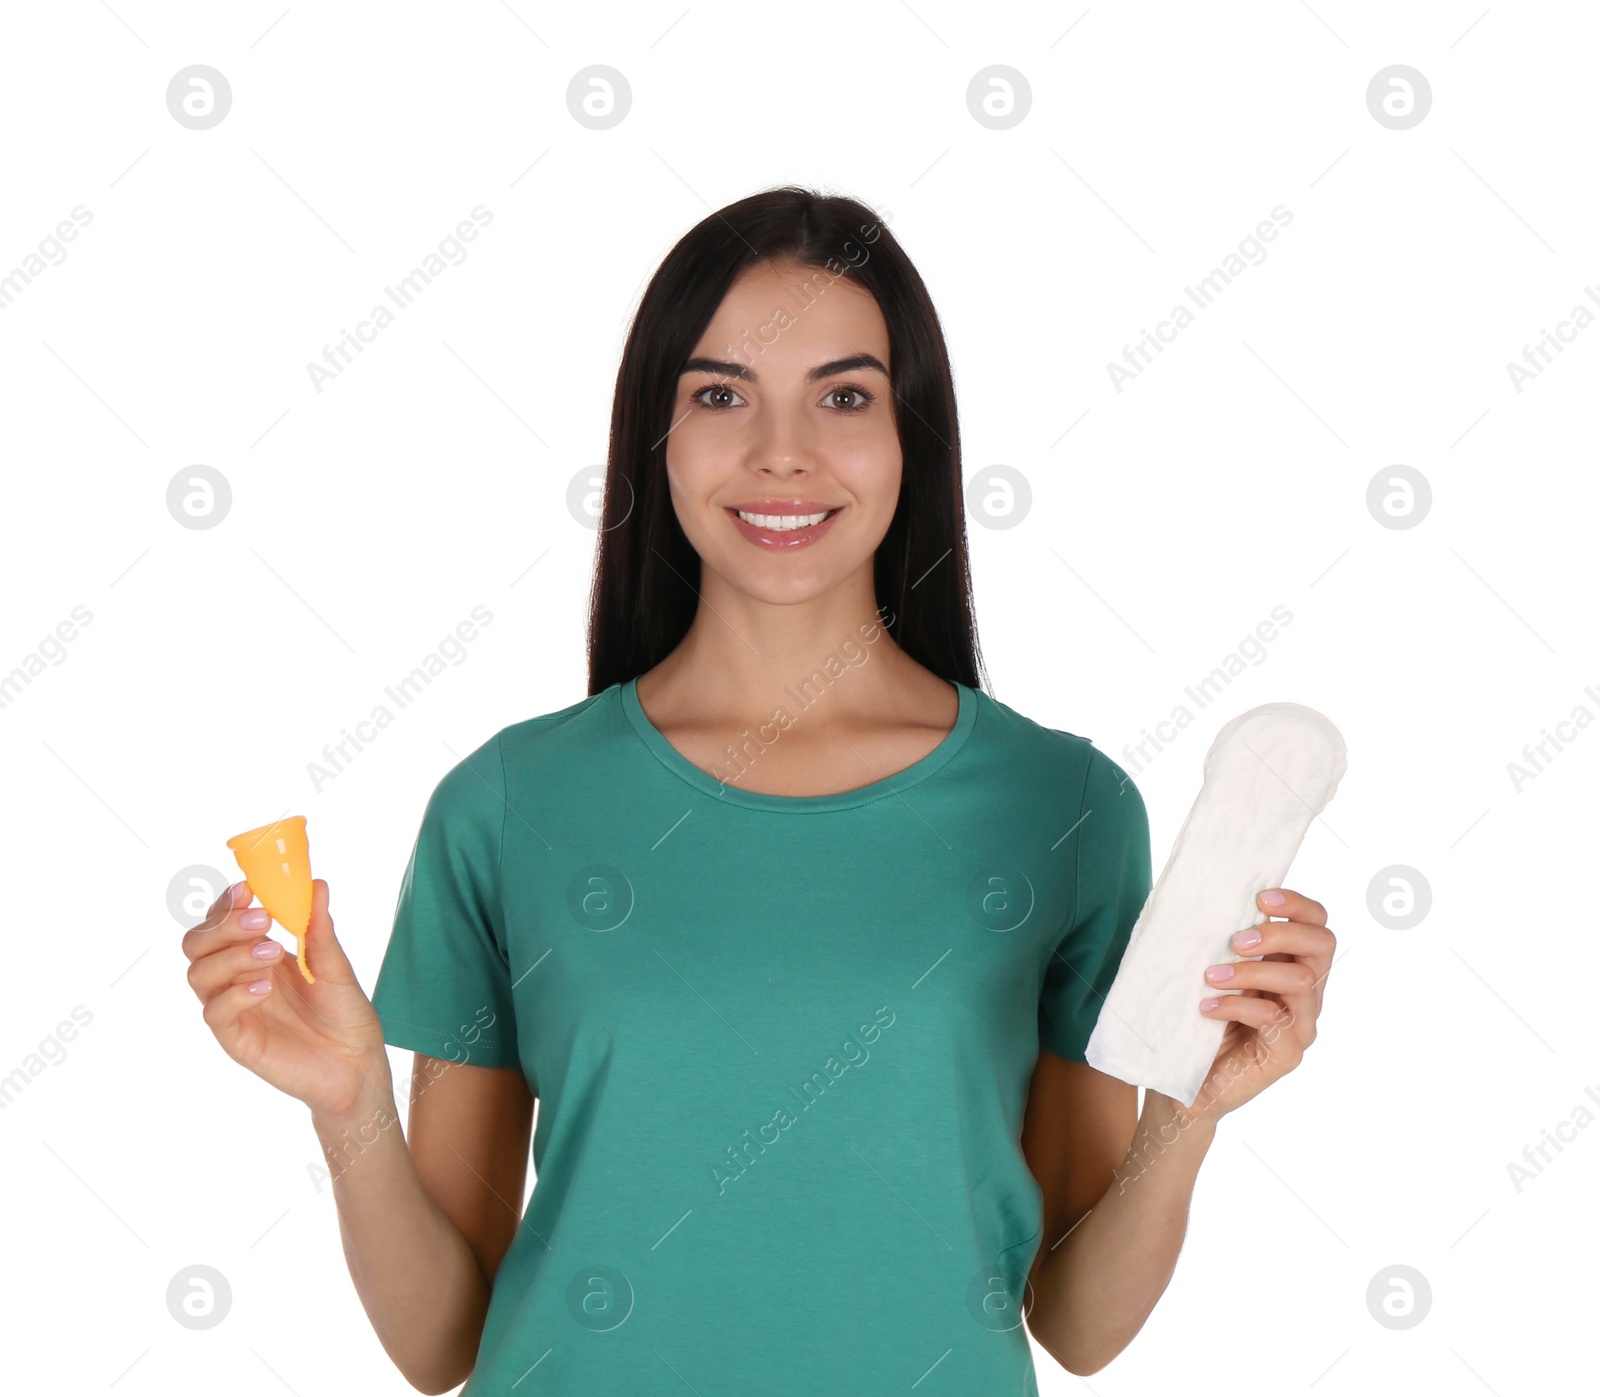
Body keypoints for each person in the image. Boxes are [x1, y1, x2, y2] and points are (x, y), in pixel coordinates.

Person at [183, 185, 1334, 1394]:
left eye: (844, 396)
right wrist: (351, 1102)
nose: (781, 451)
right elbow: (438, 1346)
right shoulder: (508, 803)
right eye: (720, 394)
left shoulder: (1068, 807)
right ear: (656, 437)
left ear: (912, 437)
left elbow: (1080, 1322)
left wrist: (1189, 1113)